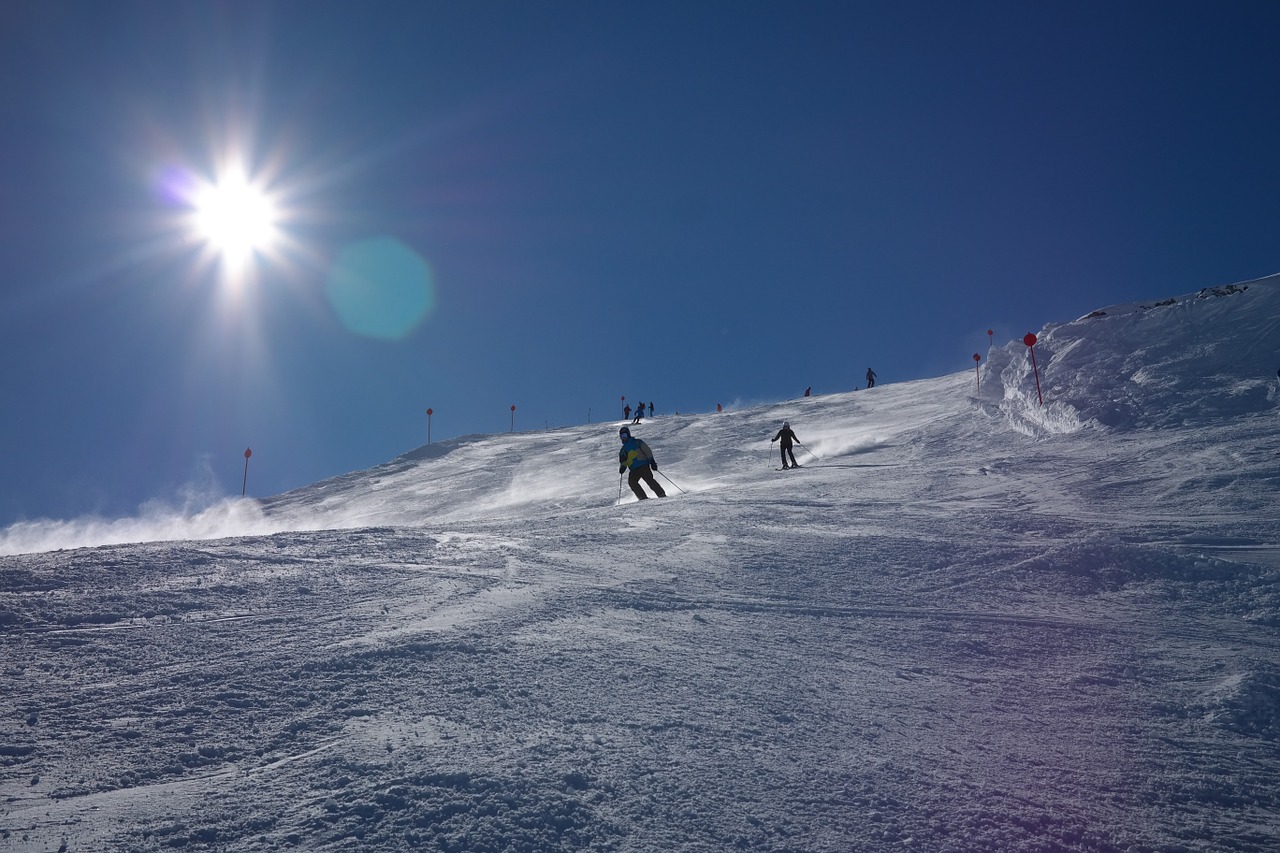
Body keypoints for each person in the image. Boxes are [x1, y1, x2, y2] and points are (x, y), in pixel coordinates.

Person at [618, 426, 665, 499]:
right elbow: (623, 461)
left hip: (643, 465)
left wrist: (652, 461)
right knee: (632, 482)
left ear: (628, 434)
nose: (623, 437)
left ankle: (661, 494)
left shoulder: (637, 442)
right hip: (633, 469)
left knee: (649, 480)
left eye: (624, 435)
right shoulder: (623, 450)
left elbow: (647, 451)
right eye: (621, 436)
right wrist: (623, 467)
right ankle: (642, 497)